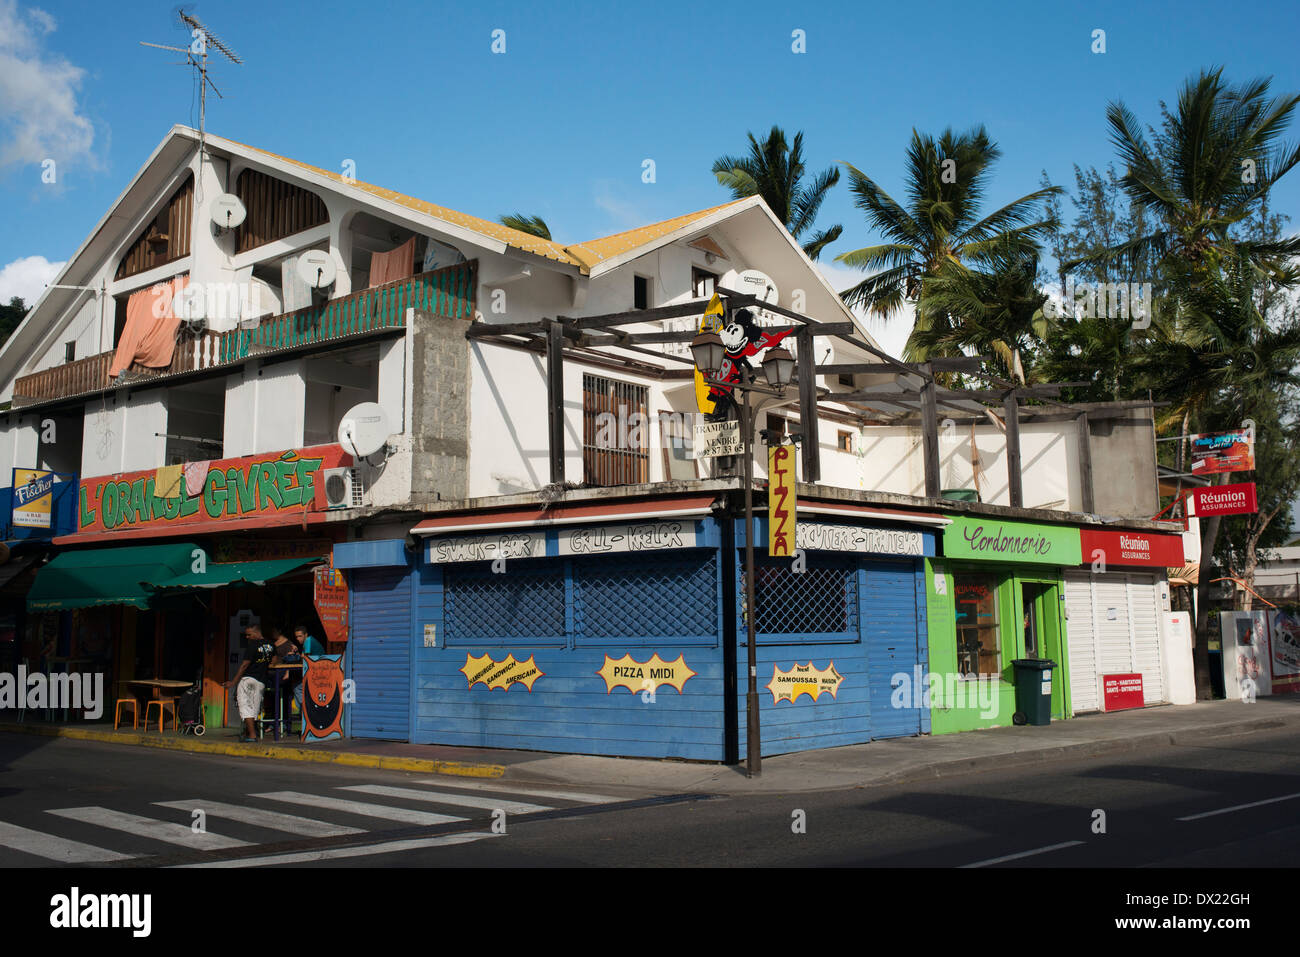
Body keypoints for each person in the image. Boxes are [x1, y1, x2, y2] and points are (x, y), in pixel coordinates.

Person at [224, 625, 278, 742]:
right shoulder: (271, 645)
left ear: (257, 633)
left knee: (245, 707)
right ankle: (251, 732)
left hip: (248, 679)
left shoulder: (252, 646)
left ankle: (252, 735)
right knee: (254, 708)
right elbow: (274, 661)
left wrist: (233, 682)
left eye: (249, 634)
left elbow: (244, 665)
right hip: (261, 681)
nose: (247, 637)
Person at [289, 623, 323, 719]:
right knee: (297, 686)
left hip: (317, 673)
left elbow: (305, 659)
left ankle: (306, 709)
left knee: (297, 687)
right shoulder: (307, 642)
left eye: (300, 636)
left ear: (306, 635)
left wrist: (294, 655)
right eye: (296, 637)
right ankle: (303, 712)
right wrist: (296, 652)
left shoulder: (308, 641)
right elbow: (304, 658)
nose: (298, 639)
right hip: (315, 672)